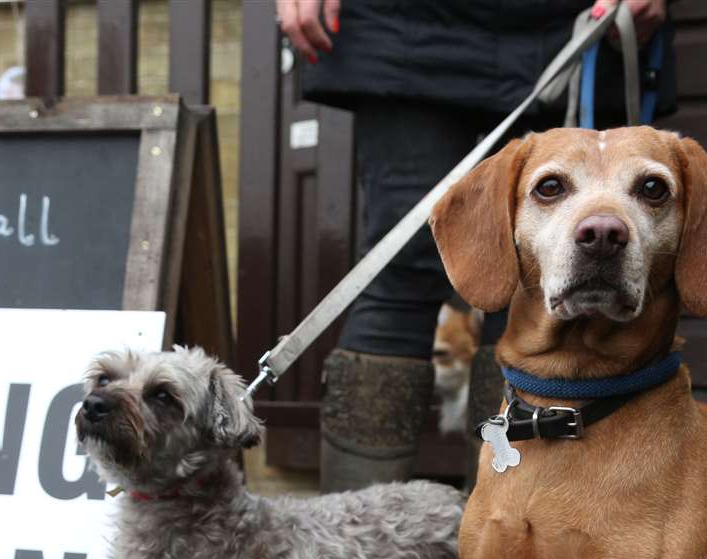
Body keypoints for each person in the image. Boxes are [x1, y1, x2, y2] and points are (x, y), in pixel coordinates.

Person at [275, 0, 676, 491]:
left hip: (571, 21)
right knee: (402, 266)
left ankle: (506, 527)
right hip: (402, 26)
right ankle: (353, 542)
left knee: (539, 273)